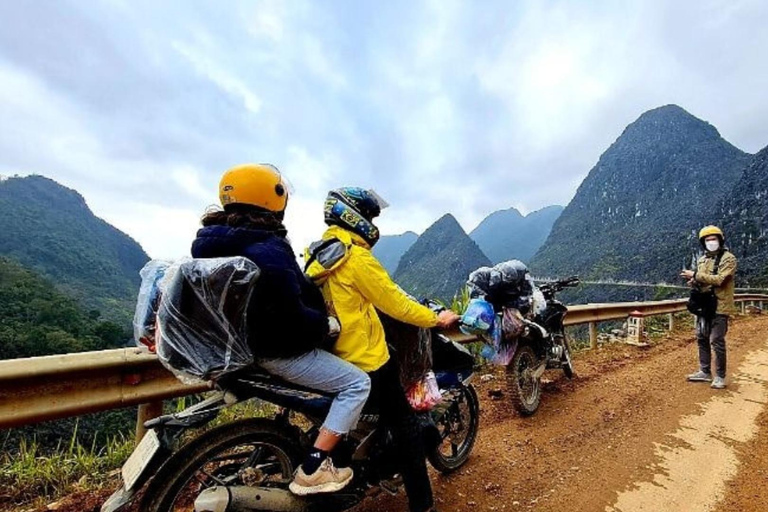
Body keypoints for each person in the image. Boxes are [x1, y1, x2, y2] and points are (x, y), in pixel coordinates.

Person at [191, 164, 371, 495]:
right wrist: (325, 326)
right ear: (274, 198)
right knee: (357, 385)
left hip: (237, 348)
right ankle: (315, 468)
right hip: (276, 350)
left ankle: (309, 439)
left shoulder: (207, 243)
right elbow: (292, 318)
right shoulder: (268, 248)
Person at [305, 187, 460, 512]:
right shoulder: (356, 257)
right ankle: (423, 504)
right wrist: (437, 319)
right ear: (354, 216)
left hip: (332, 357)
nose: (373, 222)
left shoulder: (316, 253)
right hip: (368, 360)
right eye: (370, 215)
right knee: (407, 430)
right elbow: (397, 304)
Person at [680, 225, 737, 390]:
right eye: (707, 240)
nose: (711, 242)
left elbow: (721, 280)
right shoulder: (703, 259)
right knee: (701, 337)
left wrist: (696, 275)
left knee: (716, 340)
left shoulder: (728, 258)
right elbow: (704, 280)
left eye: (714, 239)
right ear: (703, 243)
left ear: (720, 240)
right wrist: (694, 281)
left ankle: (720, 375)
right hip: (705, 305)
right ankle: (705, 371)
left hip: (720, 305)